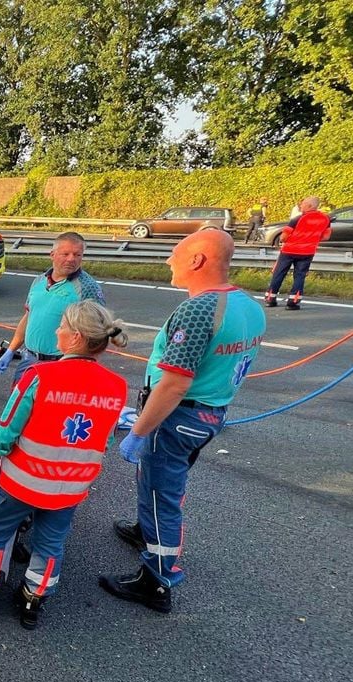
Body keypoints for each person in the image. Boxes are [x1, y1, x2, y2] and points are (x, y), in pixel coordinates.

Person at [101, 228, 265, 613]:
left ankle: (156, 580)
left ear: (196, 260)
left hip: (177, 417)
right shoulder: (247, 305)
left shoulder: (198, 310)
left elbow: (174, 384)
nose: (168, 260)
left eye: (174, 253)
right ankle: (145, 530)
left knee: (162, 494)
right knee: (159, 486)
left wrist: (139, 430)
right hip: (210, 413)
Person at [0, 300, 129, 628]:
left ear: (74, 338)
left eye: (61, 326)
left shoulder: (39, 375)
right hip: (71, 487)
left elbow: (9, 425)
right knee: (51, 543)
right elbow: (106, 439)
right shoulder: (117, 387)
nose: (56, 330)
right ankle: (33, 600)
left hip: (23, 481)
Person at [0, 233, 105, 387]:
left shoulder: (88, 288)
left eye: (77, 255)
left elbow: (96, 333)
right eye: (65, 254)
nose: (71, 259)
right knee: (19, 407)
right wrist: (10, 350)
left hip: (62, 364)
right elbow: (29, 316)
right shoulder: (39, 281)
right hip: (29, 361)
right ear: (52, 255)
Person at [265, 196, 331, 310]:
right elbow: (326, 236)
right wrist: (311, 238)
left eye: (303, 204)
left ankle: (271, 299)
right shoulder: (325, 219)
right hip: (307, 252)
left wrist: (293, 239)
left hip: (289, 250)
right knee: (300, 276)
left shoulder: (298, 219)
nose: (301, 205)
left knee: (279, 273)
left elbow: (283, 237)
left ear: (310, 206)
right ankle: (293, 302)